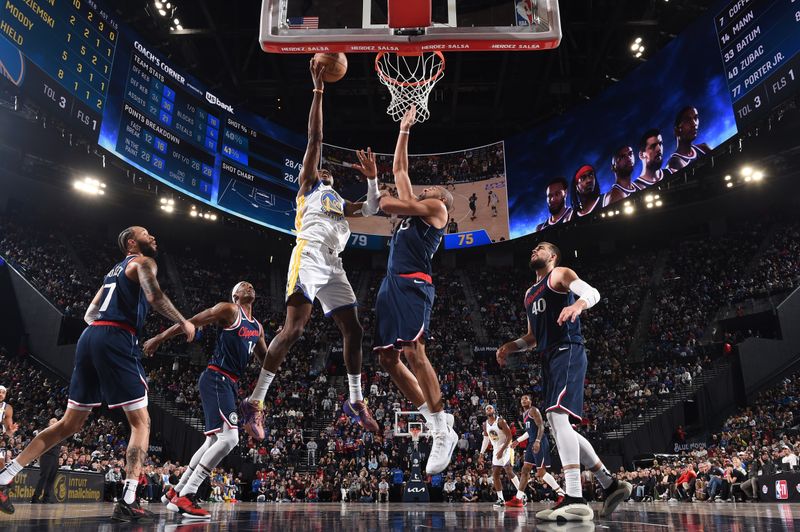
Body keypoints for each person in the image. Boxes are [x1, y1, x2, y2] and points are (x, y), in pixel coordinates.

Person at [0, 226, 195, 520]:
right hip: (117, 337)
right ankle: (129, 498)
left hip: (90, 338)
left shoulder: (111, 273)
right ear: (132, 243)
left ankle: (5, 477)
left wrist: (102, 335)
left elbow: (90, 314)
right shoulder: (143, 262)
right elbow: (155, 297)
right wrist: (183, 322)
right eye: (146, 233)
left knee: (69, 424)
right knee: (141, 423)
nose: (153, 236)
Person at [242, 60, 380, 437]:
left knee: (354, 330)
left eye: (329, 173)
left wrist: (372, 180)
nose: (325, 172)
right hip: (309, 254)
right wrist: (319, 91)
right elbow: (315, 140)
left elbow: (371, 208)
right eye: (322, 170)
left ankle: (355, 400)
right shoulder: (309, 187)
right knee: (295, 330)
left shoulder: (338, 200)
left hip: (334, 265)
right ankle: (255, 401)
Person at [496, 242, 631, 522]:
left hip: (567, 349)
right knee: (560, 426)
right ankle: (610, 485)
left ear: (553, 256)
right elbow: (532, 337)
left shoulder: (558, 275)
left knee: (557, 419)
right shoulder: (529, 294)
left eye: (541, 247)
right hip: (548, 357)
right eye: (534, 248)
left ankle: (575, 497)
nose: (535, 249)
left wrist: (579, 304)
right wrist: (511, 346)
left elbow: (591, 292)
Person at [374, 105, 457, 475]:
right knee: (387, 359)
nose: (429, 187)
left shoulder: (438, 209)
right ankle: (431, 417)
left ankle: (441, 430)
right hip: (391, 283)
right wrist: (405, 129)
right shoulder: (413, 213)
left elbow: (388, 202)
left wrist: (377, 192)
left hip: (413, 283)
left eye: (434, 188)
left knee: (413, 350)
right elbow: (401, 171)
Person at [144, 281, 267, 519]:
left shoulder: (258, 327)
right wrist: (159, 338)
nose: (249, 286)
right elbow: (191, 322)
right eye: (243, 285)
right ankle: (187, 495)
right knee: (230, 438)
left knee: (212, 442)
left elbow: (267, 359)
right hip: (217, 377)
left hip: (229, 383)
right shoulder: (229, 310)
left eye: (251, 285)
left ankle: (176, 491)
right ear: (235, 295)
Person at [506, 395, 564, 507]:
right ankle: (518, 498)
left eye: (526, 398)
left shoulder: (533, 410)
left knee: (541, 472)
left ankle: (561, 493)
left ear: (531, 401)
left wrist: (537, 441)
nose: (523, 400)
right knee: (525, 469)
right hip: (531, 443)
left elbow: (541, 426)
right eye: (522, 399)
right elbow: (529, 431)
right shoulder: (524, 414)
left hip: (540, 441)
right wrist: (517, 440)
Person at [479, 405, 520, 506]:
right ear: (485, 412)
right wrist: (481, 454)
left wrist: (502, 450)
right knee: (496, 474)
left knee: (508, 470)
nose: (489, 409)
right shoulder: (485, 425)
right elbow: (486, 439)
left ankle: (522, 494)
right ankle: (501, 499)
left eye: (490, 408)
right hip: (496, 449)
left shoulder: (501, 421)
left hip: (507, 447)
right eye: (487, 409)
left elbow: (509, 436)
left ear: (494, 410)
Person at [666, 106, 711, 173]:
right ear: (677, 129)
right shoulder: (674, 163)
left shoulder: (703, 148)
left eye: (695, 118)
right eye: (688, 120)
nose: (694, 123)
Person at [30, 419, 59, 503]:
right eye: (52, 421)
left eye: (56, 421)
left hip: (55, 457)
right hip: (47, 456)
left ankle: (46, 498)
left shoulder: (59, 433)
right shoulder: (46, 432)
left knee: (51, 478)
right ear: (48, 423)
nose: (54, 423)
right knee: (44, 477)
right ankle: (35, 497)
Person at [0, 386, 18, 468]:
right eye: (0, 392)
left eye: (3, 393)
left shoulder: (7, 408)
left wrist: (10, 431)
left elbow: (8, 430)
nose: (1, 394)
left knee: (1, 464)